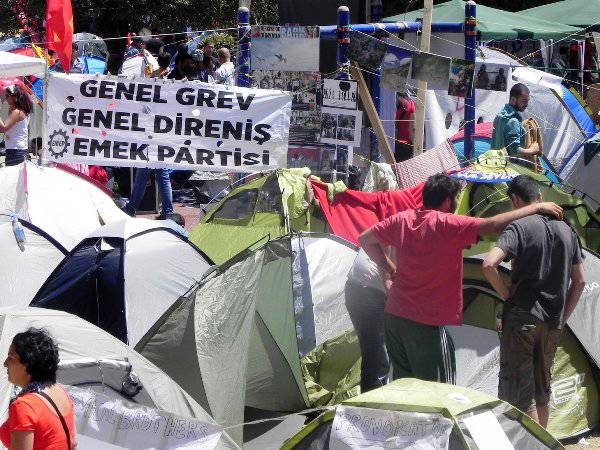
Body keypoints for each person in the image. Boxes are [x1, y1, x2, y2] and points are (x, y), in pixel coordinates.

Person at [358, 174, 563, 384]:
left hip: (395, 318)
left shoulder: (402, 219)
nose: (457, 203)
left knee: (405, 388)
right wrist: (537, 208)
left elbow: (365, 239)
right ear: (448, 200)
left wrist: (390, 269)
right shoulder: (447, 223)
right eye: (456, 198)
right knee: (437, 393)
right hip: (425, 322)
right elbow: (492, 225)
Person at [482, 175, 585, 428]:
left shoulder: (519, 227)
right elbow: (580, 281)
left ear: (516, 200)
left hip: (522, 317)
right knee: (542, 392)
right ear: (539, 197)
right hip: (552, 323)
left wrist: (506, 294)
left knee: (520, 393)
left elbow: (488, 264)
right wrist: (562, 318)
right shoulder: (567, 229)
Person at [0, 328, 76, 449]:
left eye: (11, 357)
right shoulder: (60, 392)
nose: (5, 363)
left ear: (28, 364)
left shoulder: (24, 405)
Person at [345, 248, 390, 393]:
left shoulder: (387, 228)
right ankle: (372, 402)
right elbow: (388, 281)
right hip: (369, 292)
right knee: (376, 355)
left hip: (356, 287)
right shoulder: (403, 232)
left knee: (374, 352)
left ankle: (372, 397)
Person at [491, 83, 539, 158]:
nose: (526, 104)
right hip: (507, 166)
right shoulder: (513, 121)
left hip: (496, 162)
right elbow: (515, 151)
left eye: (527, 101)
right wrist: (533, 150)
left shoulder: (499, 115)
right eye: (524, 101)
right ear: (513, 100)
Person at [0, 85, 33, 166]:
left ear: (15, 96)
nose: (6, 98)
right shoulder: (21, 110)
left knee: (13, 177)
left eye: (7, 96)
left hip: (16, 151)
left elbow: (3, 128)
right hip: (17, 150)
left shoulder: (17, 112)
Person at [395, 93, 415, 162]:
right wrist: (415, 144)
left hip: (398, 142)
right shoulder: (412, 106)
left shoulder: (398, 107)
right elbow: (410, 128)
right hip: (407, 144)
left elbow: (396, 125)